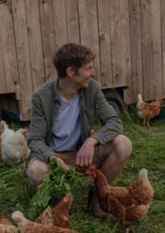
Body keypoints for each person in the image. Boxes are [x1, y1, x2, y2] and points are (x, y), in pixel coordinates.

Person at [26, 43, 132, 217]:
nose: (93, 73)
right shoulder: (41, 96)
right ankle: (58, 205)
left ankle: (98, 198)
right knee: (37, 171)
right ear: (71, 72)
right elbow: (34, 139)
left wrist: (92, 141)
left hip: (82, 155)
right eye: (88, 68)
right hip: (54, 157)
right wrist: (51, 158)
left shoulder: (92, 89)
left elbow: (114, 121)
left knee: (123, 144)